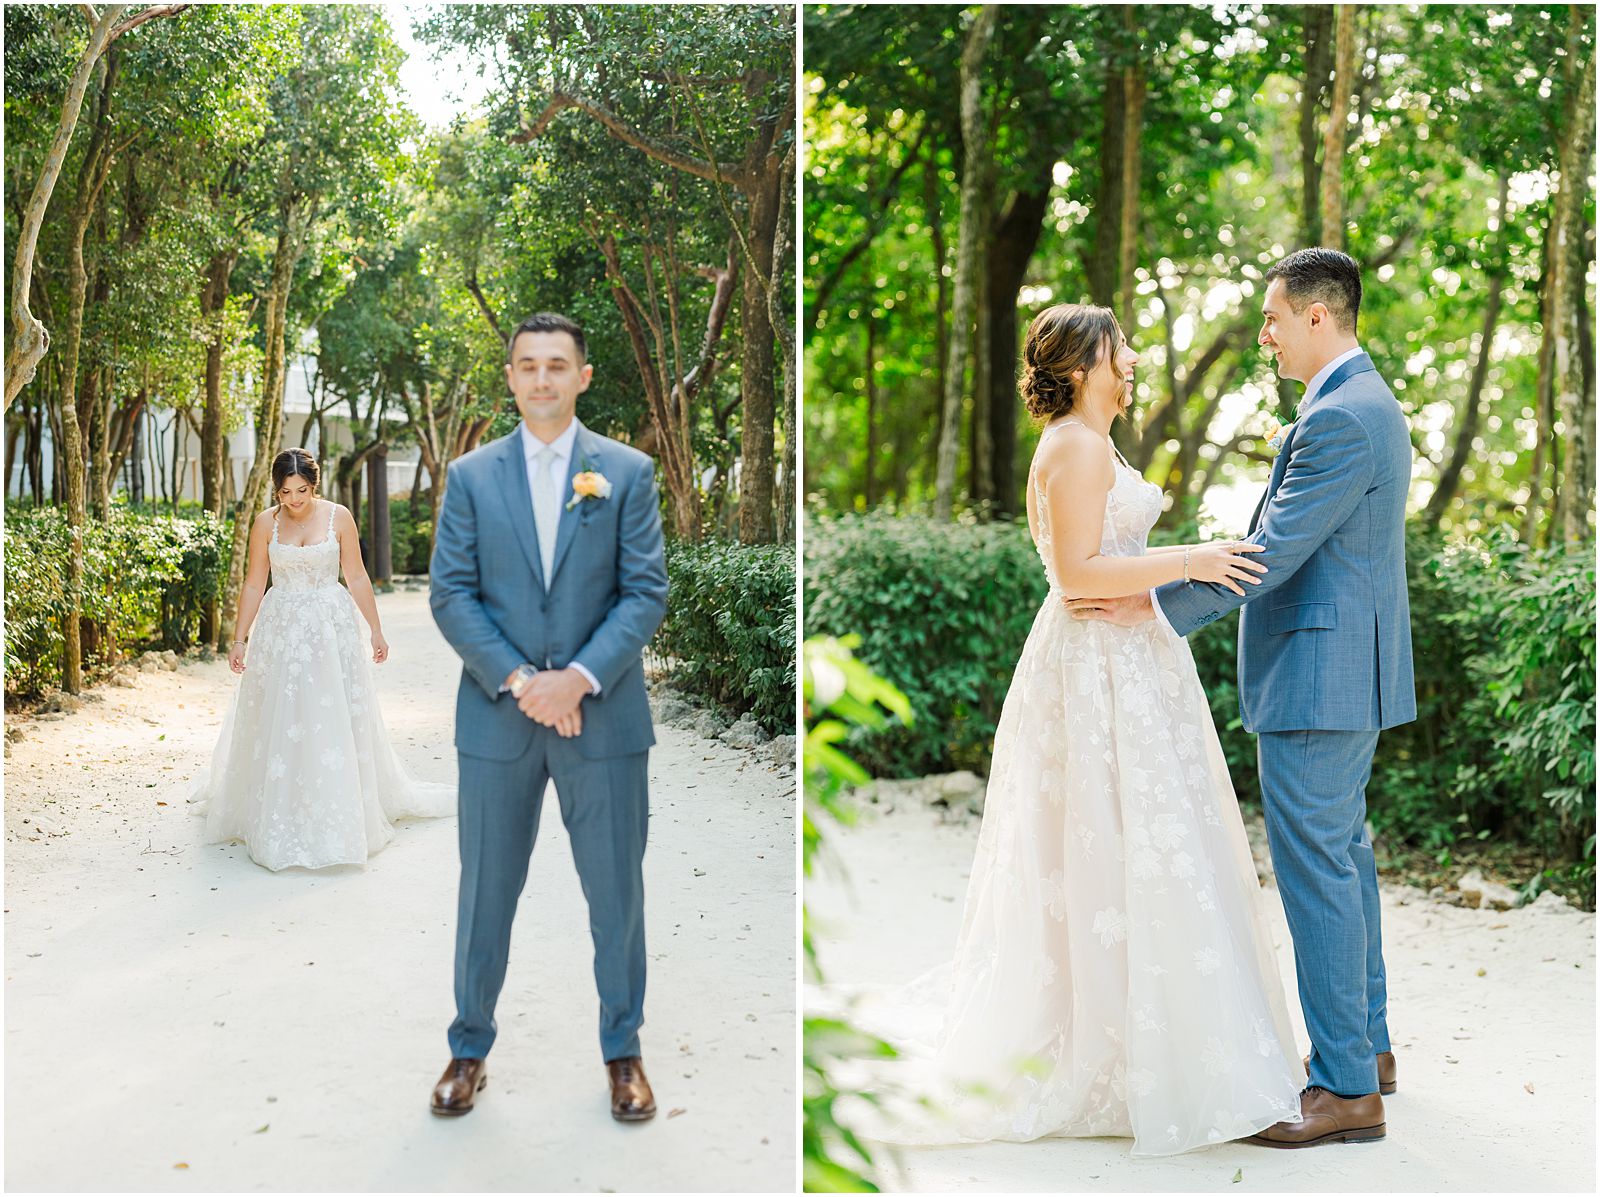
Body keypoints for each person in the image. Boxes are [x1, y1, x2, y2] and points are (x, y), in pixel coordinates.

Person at [859, 301, 1303, 1157]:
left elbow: (1103, 569)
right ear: (1078, 365)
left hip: (1131, 660)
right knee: (1107, 841)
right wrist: (1193, 559)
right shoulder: (1073, 445)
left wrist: (1162, 582)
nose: (1131, 358)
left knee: (1145, 844)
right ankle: (1109, 1048)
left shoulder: (1098, 444)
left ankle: (1149, 1042)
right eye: (1118, 347)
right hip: (1094, 667)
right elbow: (1073, 574)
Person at [1070, 247, 1414, 1148]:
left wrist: (1151, 603)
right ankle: (1365, 1050)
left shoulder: (1341, 416)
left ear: (1314, 317)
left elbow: (1275, 547)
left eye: (1270, 319)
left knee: (1318, 870)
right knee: (1345, 856)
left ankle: (1343, 1087)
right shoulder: (1357, 405)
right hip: (1344, 671)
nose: (1262, 335)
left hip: (1319, 677)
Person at [427, 312, 668, 1122]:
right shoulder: (468, 476)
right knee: (485, 890)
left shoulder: (626, 473)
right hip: (498, 720)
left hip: (603, 721)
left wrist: (579, 678)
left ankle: (623, 1050)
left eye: (557, 365)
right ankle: (468, 1049)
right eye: (527, 365)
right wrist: (525, 679)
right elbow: (451, 593)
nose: (541, 379)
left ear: (583, 376)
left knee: (615, 894)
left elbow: (645, 592)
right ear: (509, 376)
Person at [190, 448, 455, 871]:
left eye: (301, 490)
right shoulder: (265, 522)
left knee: (329, 715)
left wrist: (376, 628)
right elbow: (255, 581)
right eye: (284, 492)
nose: (293, 499)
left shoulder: (339, 517)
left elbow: (356, 576)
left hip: (330, 629)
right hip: (281, 629)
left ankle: (338, 805)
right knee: (282, 716)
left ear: (314, 485)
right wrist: (239, 638)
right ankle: (279, 807)